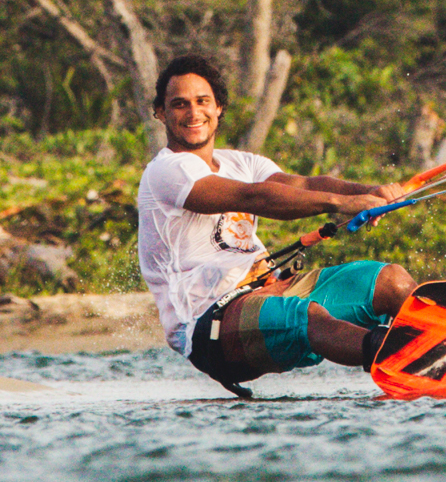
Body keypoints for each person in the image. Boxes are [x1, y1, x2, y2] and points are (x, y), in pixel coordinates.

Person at [134, 52, 414, 396]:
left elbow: (304, 185)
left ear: (218, 107)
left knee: (392, 282)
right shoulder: (166, 171)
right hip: (210, 326)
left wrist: (368, 192)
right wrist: (341, 204)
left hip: (273, 290)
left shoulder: (242, 162)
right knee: (304, 316)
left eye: (202, 101)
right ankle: (413, 359)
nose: (193, 113)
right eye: (179, 105)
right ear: (161, 113)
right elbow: (254, 198)